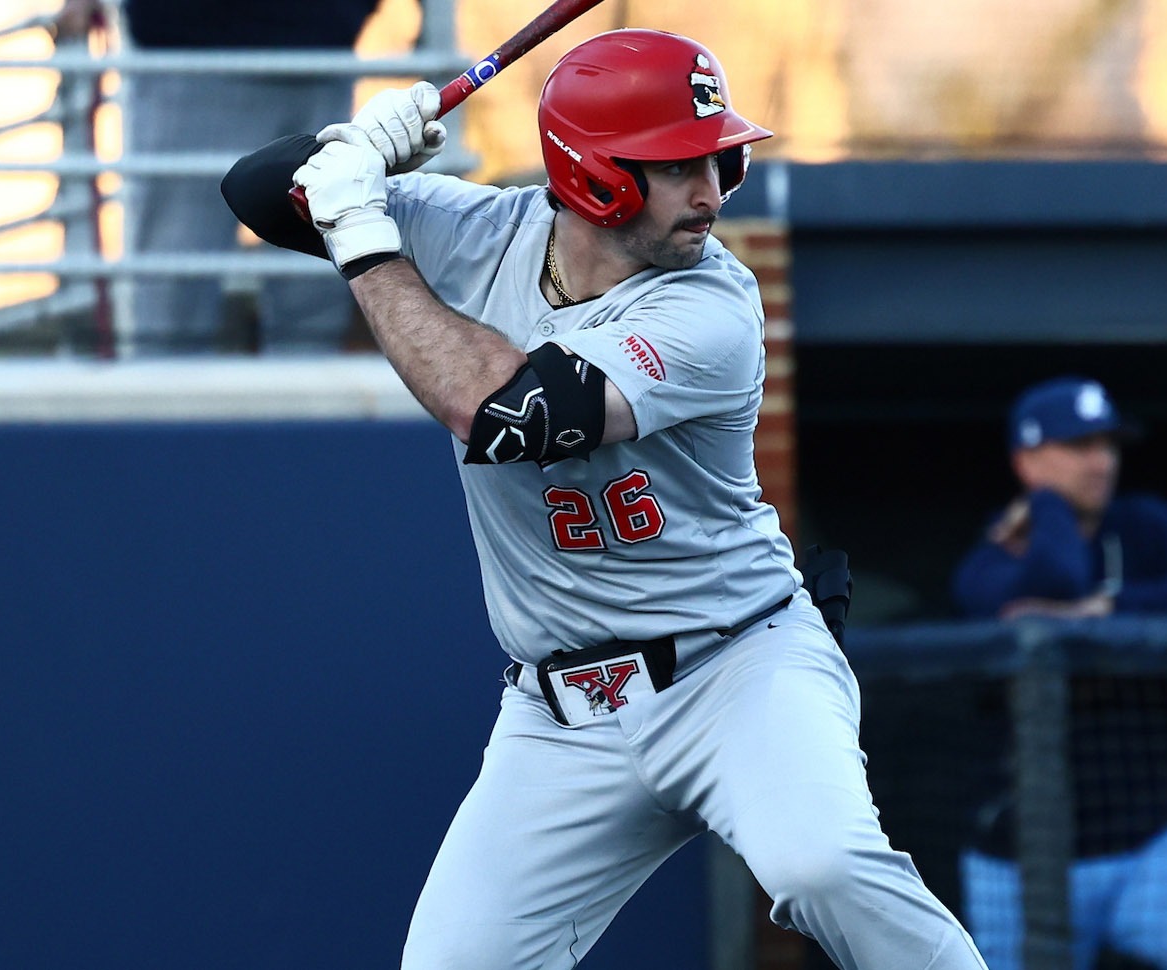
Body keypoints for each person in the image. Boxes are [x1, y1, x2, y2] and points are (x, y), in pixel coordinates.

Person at [220, 29, 987, 970]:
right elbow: (256, 192)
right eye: (677, 165)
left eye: (719, 156)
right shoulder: (483, 231)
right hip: (559, 713)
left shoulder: (712, 307)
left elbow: (502, 413)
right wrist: (355, 148)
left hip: (736, 667)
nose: (710, 190)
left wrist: (364, 232)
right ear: (594, 176)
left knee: (820, 864)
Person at [951, 376, 1167, 970]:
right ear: (1027, 459)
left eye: (1108, 446)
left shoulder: (1145, 526)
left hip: (1143, 842)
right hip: (1018, 856)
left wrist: (1109, 610)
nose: (1101, 462)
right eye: (1078, 446)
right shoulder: (996, 553)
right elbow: (1056, 579)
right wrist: (1045, 507)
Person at [54, 0, 382, 353]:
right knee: (173, 294)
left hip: (315, 48)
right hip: (198, 48)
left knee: (312, 294)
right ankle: (165, 396)